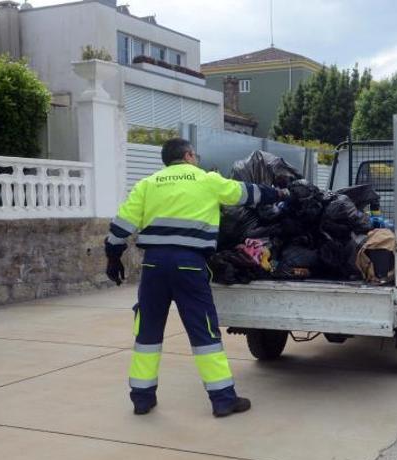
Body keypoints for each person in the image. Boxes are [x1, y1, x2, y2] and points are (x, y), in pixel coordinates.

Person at [104, 138, 286, 418]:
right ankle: (223, 399)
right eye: (195, 154)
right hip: (190, 265)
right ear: (188, 155)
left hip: (153, 265)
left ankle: (142, 398)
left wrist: (113, 257)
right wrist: (277, 194)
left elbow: (121, 225)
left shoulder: (148, 184)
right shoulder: (207, 180)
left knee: (147, 333)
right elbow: (245, 194)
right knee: (204, 332)